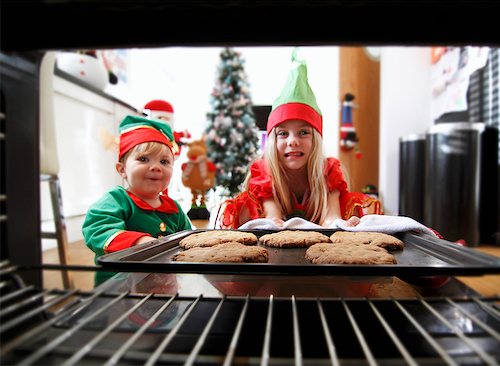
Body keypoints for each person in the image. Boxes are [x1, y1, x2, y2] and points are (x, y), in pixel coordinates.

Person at [218, 49, 380, 229]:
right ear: (273, 141)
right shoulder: (265, 170)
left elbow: (330, 217)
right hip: (273, 230)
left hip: (318, 237)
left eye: (303, 133)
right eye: (283, 134)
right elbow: (273, 217)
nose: (293, 141)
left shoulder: (328, 170)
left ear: (315, 140)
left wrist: (340, 224)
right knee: (246, 203)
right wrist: (274, 224)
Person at [82, 115, 193, 286]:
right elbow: (97, 229)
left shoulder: (174, 209)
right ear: (122, 170)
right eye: (143, 159)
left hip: (164, 285)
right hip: (120, 289)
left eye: (164, 161)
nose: (156, 167)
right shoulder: (116, 200)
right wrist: (140, 243)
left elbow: (188, 240)